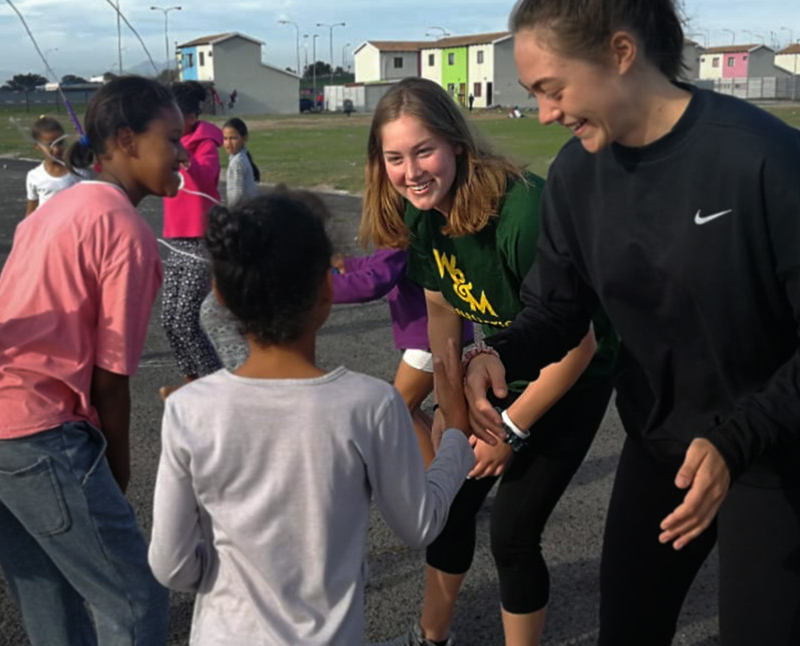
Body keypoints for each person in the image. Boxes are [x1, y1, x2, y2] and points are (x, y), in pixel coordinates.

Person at [462, 0, 800, 646]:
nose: (544, 113)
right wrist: (497, 351)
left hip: (773, 460)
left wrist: (737, 437)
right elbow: (556, 309)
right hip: (661, 450)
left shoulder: (762, 159)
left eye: (551, 88)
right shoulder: (574, 176)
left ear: (620, 53)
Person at [148, 193, 476, 646]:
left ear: (220, 295)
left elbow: (171, 566)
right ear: (326, 291)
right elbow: (420, 523)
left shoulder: (189, 409)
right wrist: (456, 436)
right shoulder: (371, 404)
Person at [361, 77, 617, 646]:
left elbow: (578, 342)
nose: (411, 171)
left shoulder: (521, 210)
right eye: (395, 158)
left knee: (513, 533)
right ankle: (430, 640)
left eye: (423, 151)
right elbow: (442, 312)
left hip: (574, 372)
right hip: (502, 361)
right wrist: (455, 409)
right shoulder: (424, 214)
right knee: (448, 503)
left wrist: (510, 426)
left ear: (455, 143)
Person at [0, 76, 187, 646]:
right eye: (172, 138)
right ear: (126, 140)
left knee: (49, 592)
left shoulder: (62, 203)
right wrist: (116, 470)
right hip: (32, 430)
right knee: (134, 593)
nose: (182, 152)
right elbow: (111, 376)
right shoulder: (125, 229)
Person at [330, 248, 473, 467]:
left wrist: (317, 288)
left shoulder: (405, 234)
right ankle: (450, 472)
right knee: (411, 409)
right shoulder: (409, 233)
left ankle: (442, 487)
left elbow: (373, 282)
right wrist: (347, 266)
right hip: (430, 336)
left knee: (401, 410)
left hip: (430, 338)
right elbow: (381, 263)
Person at [157, 82, 223, 400]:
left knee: (187, 320)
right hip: (175, 239)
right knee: (169, 318)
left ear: (192, 115)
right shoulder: (168, 141)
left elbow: (206, 178)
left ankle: (218, 388)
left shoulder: (205, 142)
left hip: (201, 242)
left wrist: (187, 159)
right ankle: (193, 382)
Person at [197, 117, 261, 371]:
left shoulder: (237, 164)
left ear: (244, 138)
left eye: (233, 138)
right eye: (225, 138)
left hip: (243, 230)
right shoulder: (241, 160)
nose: (228, 143)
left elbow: (235, 202)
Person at [24, 115, 81, 216]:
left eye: (60, 143)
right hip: (46, 229)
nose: (56, 149)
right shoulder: (34, 176)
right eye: (49, 144)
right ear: (37, 146)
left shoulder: (78, 172)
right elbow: (31, 210)